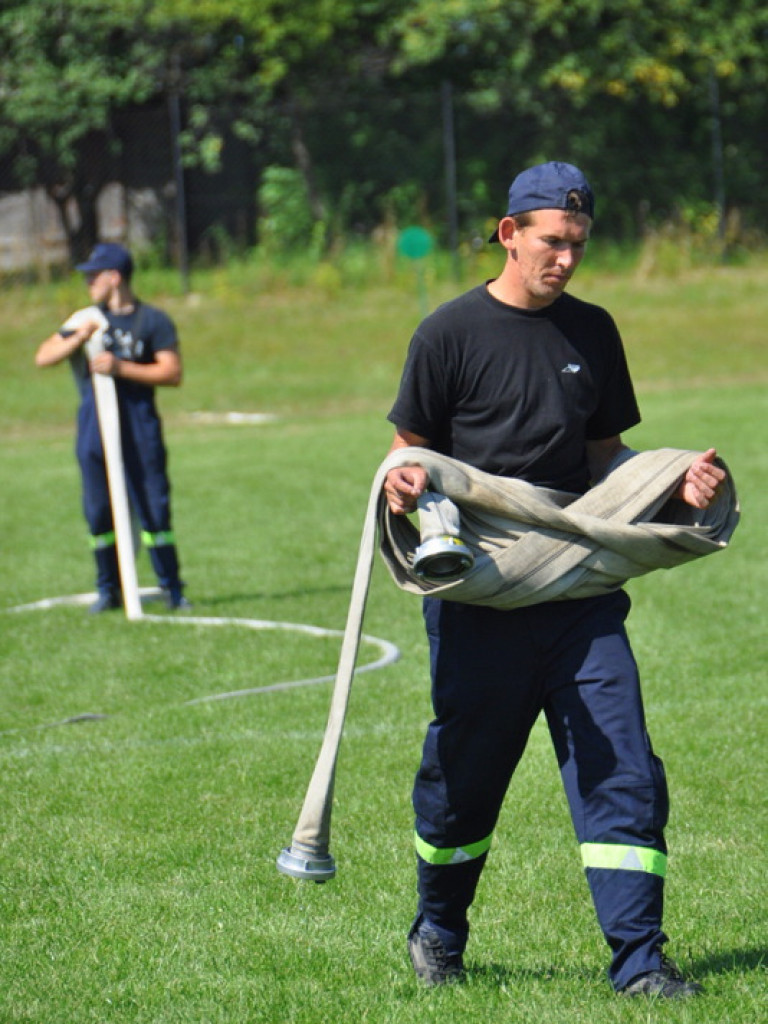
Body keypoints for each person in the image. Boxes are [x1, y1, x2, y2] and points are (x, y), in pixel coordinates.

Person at [383, 162, 725, 998]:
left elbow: (609, 465)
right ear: (509, 234)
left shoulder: (595, 333)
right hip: (482, 597)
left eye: (577, 244)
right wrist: (401, 483)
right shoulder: (448, 333)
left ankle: (640, 962)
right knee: (464, 783)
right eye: (552, 242)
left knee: (623, 771)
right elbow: (408, 452)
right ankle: (440, 931)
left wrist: (676, 485)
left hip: (579, 595)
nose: (566, 259)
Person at [35, 242, 190, 613]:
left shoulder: (152, 321)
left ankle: (172, 588)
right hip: (94, 427)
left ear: (115, 277)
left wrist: (121, 368)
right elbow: (43, 357)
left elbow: (171, 372)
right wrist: (78, 336)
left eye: (94, 275)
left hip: (139, 427)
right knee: (99, 511)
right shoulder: (85, 317)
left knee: (154, 509)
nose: (88, 282)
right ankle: (108, 590)